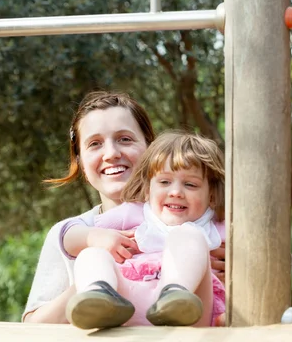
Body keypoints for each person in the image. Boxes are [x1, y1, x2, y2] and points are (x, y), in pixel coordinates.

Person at [22, 91, 226, 324]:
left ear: (151, 147)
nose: (111, 154)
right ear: (80, 161)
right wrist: (102, 277)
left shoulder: (198, 220)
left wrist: (199, 260)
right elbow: (33, 327)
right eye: (95, 144)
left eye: (125, 139)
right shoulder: (79, 230)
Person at [61, 131, 225, 329]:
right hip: (128, 305)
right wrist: (94, 236)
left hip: (190, 312)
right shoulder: (136, 214)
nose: (175, 192)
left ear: (213, 196)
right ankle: (98, 296)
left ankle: (174, 295)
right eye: (164, 182)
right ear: (148, 189)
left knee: (189, 234)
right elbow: (68, 237)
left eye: (190, 184)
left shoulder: (220, 226)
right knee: (91, 254)